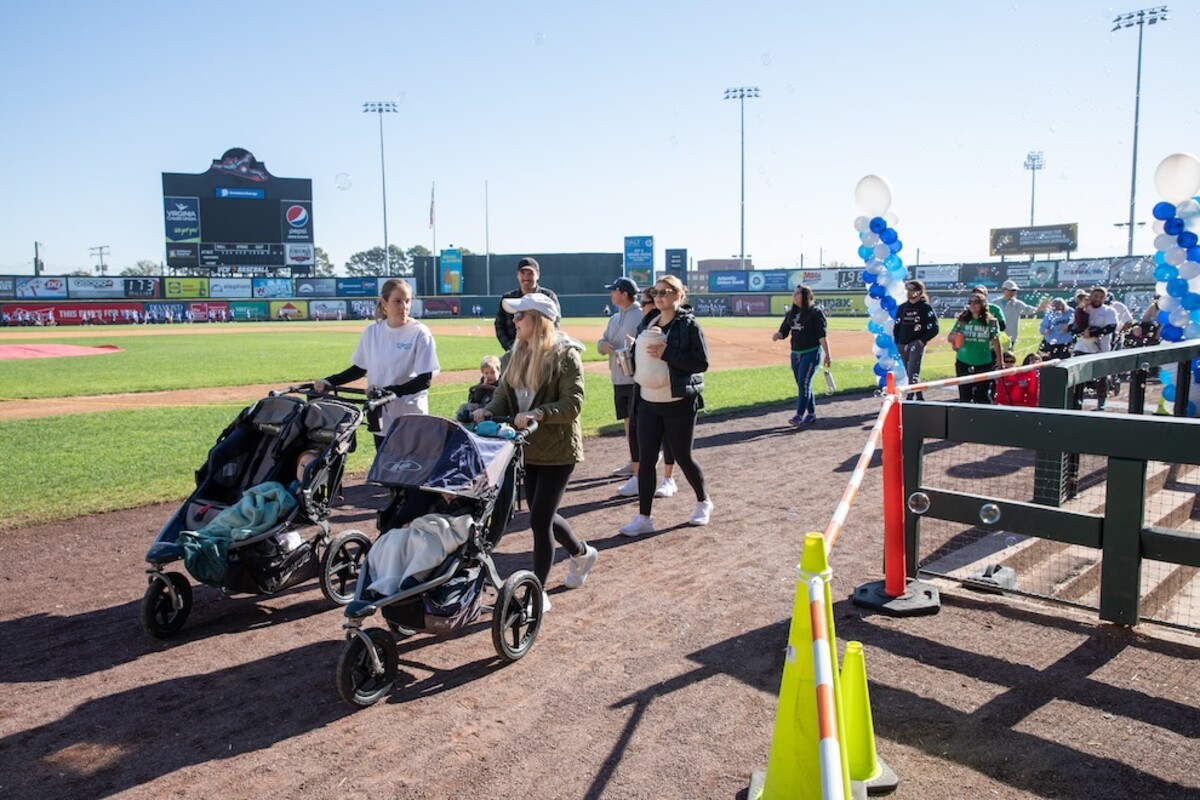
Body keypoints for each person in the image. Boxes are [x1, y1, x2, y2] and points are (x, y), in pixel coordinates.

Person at [473, 292, 596, 607]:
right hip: (527, 447)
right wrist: (488, 410)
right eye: (514, 316)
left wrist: (538, 414)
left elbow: (573, 404)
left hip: (558, 449)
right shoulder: (516, 352)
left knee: (539, 520)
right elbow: (503, 393)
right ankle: (582, 552)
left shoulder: (566, 355)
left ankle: (537, 593)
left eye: (520, 316)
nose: (513, 321)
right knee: (543, 514)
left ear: (539, 321)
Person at [620, 276, 713, 536]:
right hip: (648, 401)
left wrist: (667, 353)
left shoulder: (689, 325)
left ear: (678, 295)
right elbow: (643, 356)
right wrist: (628, 360)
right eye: (656, 292)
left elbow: (701, 363)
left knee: (683, 456)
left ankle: (703, 502)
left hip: (678, 402)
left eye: (665, 292)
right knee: (647, 459)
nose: (659, 296)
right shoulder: (648, 321)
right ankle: (644, 517)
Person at [314, 279, 440, 449]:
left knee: (410, 468)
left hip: (410, 415)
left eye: (407, 301)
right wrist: (329, 382)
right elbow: (359, 368)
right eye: (398, 301)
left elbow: (425, 379)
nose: (404, 307)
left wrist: (390, 392)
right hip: (380, 415)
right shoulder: (372, 332)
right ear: (384, 303)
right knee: (384, 465)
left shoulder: (419, 333)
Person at [596, 277, 647, 496]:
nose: (611, 295)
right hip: (618, 378)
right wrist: (604, 346)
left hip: (634, 378)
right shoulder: (614, 317)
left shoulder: (641, 315)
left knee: (637, 425)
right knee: (628, 424)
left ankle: (644, 464)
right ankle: (633, 460)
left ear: (624, 294)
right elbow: (601, 343)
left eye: (613, 291)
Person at [772, 284, 832, 426]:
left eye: (798, 293)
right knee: (803, 384)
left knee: (804, 384)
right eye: (794, 293)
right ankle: (811, 414)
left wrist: (828, 355)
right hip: (796, 354)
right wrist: (778, 335)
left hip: (811, 353)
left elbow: (822, 336)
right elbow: (784, 331)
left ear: (806, 296)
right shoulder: (791, 313)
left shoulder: (815, 313)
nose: (794, 296)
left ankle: (799, 415)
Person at [494, 257, 559, 351]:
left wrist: (541, 348)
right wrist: (511, 348)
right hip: (515, 351)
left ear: (538, 275)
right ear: (517, 275)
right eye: (522, 273)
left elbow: (554, 325)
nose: (526, 277)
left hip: (541, 351)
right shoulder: (507, 299)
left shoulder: (548, 297)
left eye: (530, 273)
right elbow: (500, 326)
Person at [948, 294, 1003, 404]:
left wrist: (999, 359)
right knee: (965, 395)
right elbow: (950, 338)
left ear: (983, 304)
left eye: (976, 302)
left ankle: (981, 418)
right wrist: (956, 336)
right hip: (964, 361)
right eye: (970, 302)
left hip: (984, 362)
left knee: (982, 396)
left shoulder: (991, 322)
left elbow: (996, 342)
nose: (973, 305)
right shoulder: (962, 320)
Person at [893, 280, 939, 401]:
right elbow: (897, 326)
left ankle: (910, 395)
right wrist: (898, 341)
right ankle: (919, 395)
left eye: (912, 289)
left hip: (916, 343)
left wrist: (922, 341)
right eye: (908, 289)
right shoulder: (902, 307)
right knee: (909, 371)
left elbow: (934, 328)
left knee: (912, 369)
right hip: (902, 343)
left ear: (919, 291)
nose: (909, 292)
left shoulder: (925, 308)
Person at [995, 280, 1046, 351]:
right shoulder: (995, 303)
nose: (1012, 293)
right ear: (1004, 290)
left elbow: (1028, 310)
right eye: (1010, 290)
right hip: (996, 336)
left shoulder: (1017, 304)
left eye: (1014, 291)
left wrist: (1038, 309)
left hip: (1010, 336)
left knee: (1008, 358)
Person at [455, 355, 501, 423]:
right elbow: (476, 399)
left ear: (499, 372)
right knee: (465, 407)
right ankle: (460, 424)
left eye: (492, 372)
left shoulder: (502, 384)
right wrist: (483, 386)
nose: (489, 375)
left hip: (493, 408)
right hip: (480, 405)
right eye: (486, 373)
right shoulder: (482, 384)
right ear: (483, 374)